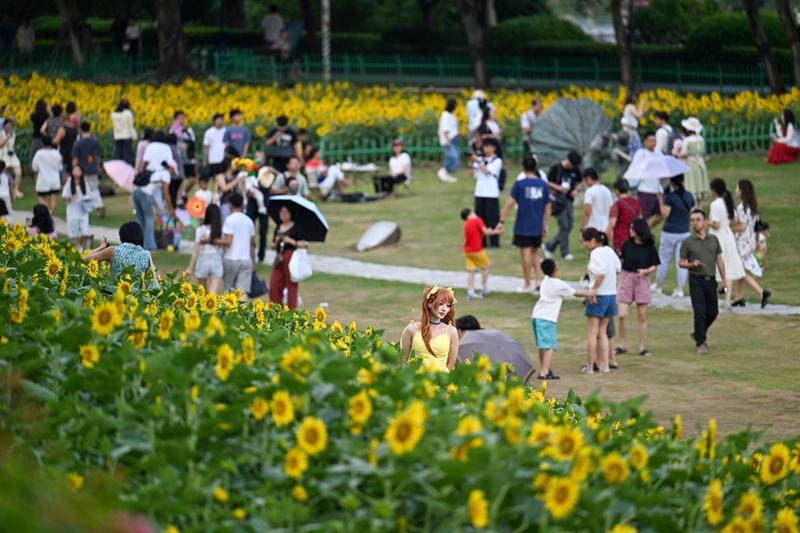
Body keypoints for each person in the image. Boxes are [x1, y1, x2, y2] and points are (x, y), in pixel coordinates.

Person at [498, 156, 551, 292]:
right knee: (535, 252)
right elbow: (548, 206)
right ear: (535, 168)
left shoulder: (520, 184)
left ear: (523, 167)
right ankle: (539, 281)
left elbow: (509, 203)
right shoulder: (543, 184)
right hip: (537, 225)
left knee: (525, 253)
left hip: (523, 225)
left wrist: (501, 221)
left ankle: (527, 283)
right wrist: (546, 224)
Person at [532, 258, 589, 380]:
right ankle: (545, 372)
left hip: (537, 315)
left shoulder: (545, 280)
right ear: (555, 270)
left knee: (542, 346)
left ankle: (543, 368)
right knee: (549, 346)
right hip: (547, 318)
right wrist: (590, 293)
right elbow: (574, 293)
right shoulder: (558, 284)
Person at [680, 209, 727, 355]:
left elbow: (719, 259)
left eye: (698, 219)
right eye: (692, 220)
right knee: (700, 312)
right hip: (696, 280)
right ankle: (701, 342)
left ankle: (698, 332)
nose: (695, 222)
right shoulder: (688, 242)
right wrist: (691, 264)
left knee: (713, 312)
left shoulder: (713, 240)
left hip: (710, 279)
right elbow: (681, 263)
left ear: (704, 222)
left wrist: (724, 279)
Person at [616, 219, 660, 357]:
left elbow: (655, 265)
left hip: (642, 279)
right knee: (622, 315)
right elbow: (621, 260)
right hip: (626, 278)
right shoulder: (627, 244)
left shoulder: (649, 247)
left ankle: (641, 346)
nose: (630, 230)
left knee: (641, 316)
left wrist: (646, 271)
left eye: (632, 228)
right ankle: (622, 344)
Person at [581, 228, 621, 375]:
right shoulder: (609, 250)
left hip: (600, 296)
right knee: (603, 332)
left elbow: (601, 274)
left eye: (585, 241)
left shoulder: (595, 253)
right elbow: (618, 268)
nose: (584, 244)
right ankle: (605, 366)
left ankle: (591, 367)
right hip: (611, 295)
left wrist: (594, 290)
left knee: (592, 332)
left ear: (592, 240)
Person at [400, 285, 459, 372]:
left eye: (448, 306)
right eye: (441, 304)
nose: (444, 309)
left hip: (440, 380)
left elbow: (451, 364)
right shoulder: (412, 329)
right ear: (429, 304)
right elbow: (403, 361)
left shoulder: (451, 331)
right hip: (417, 381)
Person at [653, 174, 695, 297]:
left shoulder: (670, 197)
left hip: (669, 232)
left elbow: (665, 213)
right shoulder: (689, 196)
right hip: (684, 232)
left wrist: (661, 199)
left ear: (672, 183)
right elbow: (692, 213)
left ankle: (658, 285)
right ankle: (680, 289)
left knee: (664, 260)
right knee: (681, 262)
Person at [732, 179, 771, 308]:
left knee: (740, 271)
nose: (735, 191)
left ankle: (761, 292)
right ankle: (739, 297)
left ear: (742, 191)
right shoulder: (753, 207)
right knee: (741, 268)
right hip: (750, 241)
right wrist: (756, 243)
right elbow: (755, 227)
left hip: (742, 241)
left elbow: (742, 226)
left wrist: (729, 228)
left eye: (737, 188)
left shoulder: (742, 208)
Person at [207, 192, 254, 299]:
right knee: (242, 292)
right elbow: (252, 244)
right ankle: (241, 313)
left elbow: (228, 241)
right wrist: (253, 262)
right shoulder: (249, 221)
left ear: (230, 204)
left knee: (229, 291)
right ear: (242, 205)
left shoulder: (229, 220)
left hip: (231, 259)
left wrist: (212, 240)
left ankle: (230, 313)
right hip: (246, 260)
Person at [707, 178, 744, 308]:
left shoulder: (715, 204)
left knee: (716, 267)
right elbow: (733, 220)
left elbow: (716, 224)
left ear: (714, 190)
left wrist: (705, 222)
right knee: (727, 268)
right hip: (728, 236)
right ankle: (727, 298)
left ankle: (714, 297)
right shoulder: (727, 202)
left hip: (718, 237)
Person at [544, 151, 582, 260]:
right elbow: (548, 182)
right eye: (571, 164)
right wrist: (559, 188)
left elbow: (580, 181)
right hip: (558, 201)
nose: (572, 167)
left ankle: (550, 246)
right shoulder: (556, 168)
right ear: (568, 160)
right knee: (564, 225)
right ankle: (565, 252)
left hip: (569, 200)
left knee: (569, 225)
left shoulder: (575, 169)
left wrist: (576, 190)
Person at [84, 221, 154, 278]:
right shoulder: (147, 255)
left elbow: (85, 259)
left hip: (114, 293)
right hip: (137, 294)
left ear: (122, 237)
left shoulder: (113, 251)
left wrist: (101, 247)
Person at [460, 208, 502, 300]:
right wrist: (496, 232)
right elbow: (486, 232)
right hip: (477, 250)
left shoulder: (466, 224)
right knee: (486, 268)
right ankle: (484, 288)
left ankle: (470, 292)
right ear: (470, 214)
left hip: (467, 251)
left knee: (471, 271)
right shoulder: (477, 220)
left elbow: (477, 234)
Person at [269, 205, 305, 309]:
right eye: (281, 212)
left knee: (291, 287)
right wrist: (276, 241)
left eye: (286, 212)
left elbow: (304, 244)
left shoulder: (296, 227)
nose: (283, 215)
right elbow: (273, 246)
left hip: (291, 256)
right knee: (274, 287)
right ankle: (276, 310)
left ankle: (291, 312)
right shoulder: (278, 227)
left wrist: (290, 241)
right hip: (279, 257)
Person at [185, 203, 224, 295]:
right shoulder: (220, 231)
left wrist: (190, 268)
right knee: (212, 296)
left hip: (203, 260)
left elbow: (196, 250)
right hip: (216, 260)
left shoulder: (200, 230)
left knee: (202, 295)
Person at [471, 138, 503, 248]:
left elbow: (487, 171)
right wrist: (472, 161)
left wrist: (478, 161)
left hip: (492, 193)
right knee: (480, 218)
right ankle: (481, 241)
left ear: (493, 147)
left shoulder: (497, 161)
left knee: (492, 218)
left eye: (488, 146)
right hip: (480, 192)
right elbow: (472, 173)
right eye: (484, 147)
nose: (486, 149)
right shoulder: (480, 160)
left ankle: (494, 242)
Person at [627, 131, 664, 227]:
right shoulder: (641, 154)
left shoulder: (658, 153)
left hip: (656, 188)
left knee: (660, 214)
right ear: (645, 142)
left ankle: (646, 230)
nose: (653, 143)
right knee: (644, 215)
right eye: (650, 141)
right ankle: (642, 232)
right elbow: (635, 169)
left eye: (654, 141)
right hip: (645, 189)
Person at [607, 178, 641, 254]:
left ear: (617, 190)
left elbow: (612, 223)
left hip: (620, 238)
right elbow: (640, 219)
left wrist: (606, 234)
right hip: (634, 237)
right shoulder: (636, 202)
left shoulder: (617, 204)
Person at [62, 165, 92, 250]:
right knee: (73, 234)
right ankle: (75, 250)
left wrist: (84, 198)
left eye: (78, 170)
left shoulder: (84, 182)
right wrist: (70, 197)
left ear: (81, 172)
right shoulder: (69, 182)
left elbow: (89, 195)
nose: (76, 172)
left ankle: (84, 250)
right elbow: (64, 196)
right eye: (75, 170)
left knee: (85, 232)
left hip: (83, 212)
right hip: (72, 212)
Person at [679, 117, 708, 199]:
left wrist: (677, 154)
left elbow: (684, 153)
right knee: (700, 179)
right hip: (700, 161)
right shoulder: (701, 139)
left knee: (692, 180)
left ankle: (693, 199)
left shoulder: (687, 140)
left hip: (691, 162)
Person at [32, 135, 62, 213]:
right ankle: (51, 213)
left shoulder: (39, 153)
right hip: (55, 179)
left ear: (42, 143)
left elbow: (34, 167)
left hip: (43, 180)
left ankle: (48, 212)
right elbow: (60, 166)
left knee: (41, 198)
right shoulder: (56, 153)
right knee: (53, 197)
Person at [172, 111, 197, 202]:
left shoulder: (189, 130)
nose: (182, 120)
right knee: (180, 180)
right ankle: (179, 200)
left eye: (183, 118)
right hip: (178, 160)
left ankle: (184, 193)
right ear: (175, 120)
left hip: (189, 159)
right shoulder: (172, 131)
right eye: (179, 118)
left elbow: (193, 144)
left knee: (192, 179)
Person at [581, 168, 613, 233]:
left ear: (589, 178)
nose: (585, 183)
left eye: (585, 180)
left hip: (593, 228)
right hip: (605, 228)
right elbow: (611, 210)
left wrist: (582, 228)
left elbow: (587, 211)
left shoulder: (590, 191)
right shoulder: (607, 190)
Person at [437, 99, 459, 183]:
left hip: (454, 139)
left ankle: (446, 173)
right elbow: (445, 128)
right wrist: (447, 140)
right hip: (448, 140)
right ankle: (443, 171)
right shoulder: (445, 115)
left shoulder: (451, 115)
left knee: (454, 157)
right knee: (452, 156)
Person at [0, 119, 22, 200]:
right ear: (4, 126)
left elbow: (13, 144)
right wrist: (7, 137)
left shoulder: (14, 134)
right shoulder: (1, 134)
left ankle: (16, 190)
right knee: (4, 174)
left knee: (18, 173)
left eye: (10, 125)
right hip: (3, 155)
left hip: (12, 155)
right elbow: (1, 145)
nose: (9, 127)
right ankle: (7, 190)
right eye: (7, 125)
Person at [111, 97, 136, 165]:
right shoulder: (128, 113)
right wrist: (134, 136)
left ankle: (117, 172)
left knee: (118, 156)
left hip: (117, 136)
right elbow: (130, 126)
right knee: (127, 158)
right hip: (127, 136)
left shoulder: (114, 113)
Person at [29, 99, 50, 168]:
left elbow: (31, 118)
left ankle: (35, 175)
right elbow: (52, 118)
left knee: (34, 157)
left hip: (36, 139)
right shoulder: (47, 116)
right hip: (44, 139)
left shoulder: (33, 115)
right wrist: (49, 110)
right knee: (45, 158)